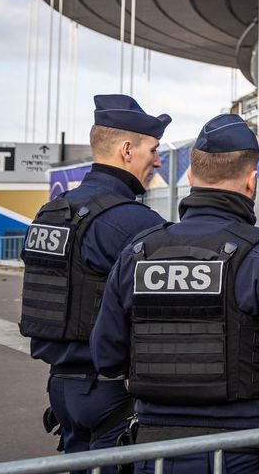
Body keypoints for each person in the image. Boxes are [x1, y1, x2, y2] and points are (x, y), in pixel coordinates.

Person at [91, 113, 259, 474]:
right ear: (251, 183)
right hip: (239, 452)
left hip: (152, 451)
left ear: (191, 178)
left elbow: (106, 356)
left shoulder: (137, 253)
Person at [19, 94, 171, 458]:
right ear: (127, 150)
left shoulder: (50, 214)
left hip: (62, 389)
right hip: (112, 393)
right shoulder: (134, 222)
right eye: (153, 149)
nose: (158, 160)